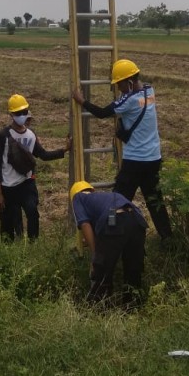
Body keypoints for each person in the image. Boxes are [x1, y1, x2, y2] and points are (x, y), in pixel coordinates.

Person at [72, 58, 173, 240]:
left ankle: (109, 236)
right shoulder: (149, 91)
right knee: (155, 202)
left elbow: (102, 113)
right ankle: (168, 239)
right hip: (154, 159)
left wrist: (82, 101)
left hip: (135, 162)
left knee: (115, 202)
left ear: (130, 82)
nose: (118, 89)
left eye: (120, 84)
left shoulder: (129, 100)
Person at [0, 94, 71, 241]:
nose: (21, 115)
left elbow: (43, 154)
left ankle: (33, 245)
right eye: (18, 113)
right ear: (11, 114)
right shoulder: (2, 136)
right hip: (8, 187)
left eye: (24, 112)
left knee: (33, 213)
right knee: (8, 224)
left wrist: (64, 150)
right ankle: (9, 250)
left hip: (27, 183)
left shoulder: (31, 134)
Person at [70, 180, 147, 306]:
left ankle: (98, 308)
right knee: (133, 268)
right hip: (137, 219)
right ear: (91, 189)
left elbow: (84, 224)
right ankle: (132, 306)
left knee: (101, 269)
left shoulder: (78, 198)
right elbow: (108, 227)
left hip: (114, 216)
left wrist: (95, 254)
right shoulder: (106, 197)